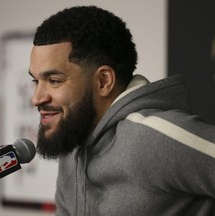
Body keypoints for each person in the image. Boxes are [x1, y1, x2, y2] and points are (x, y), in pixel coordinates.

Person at [28, 5, 215, 216]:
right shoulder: (72, 147)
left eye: (54, 80)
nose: (36, 98)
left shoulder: (152, 138)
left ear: (103, 81)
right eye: (36, 81)